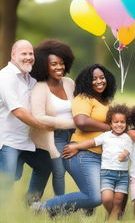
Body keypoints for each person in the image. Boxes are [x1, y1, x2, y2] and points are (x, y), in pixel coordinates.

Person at [31, 64, 117, 216]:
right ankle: (43, 207)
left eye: (102, 78)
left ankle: (59, 212)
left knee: (100, 194)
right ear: (86, 81)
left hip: (102, 155)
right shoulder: (83, 98)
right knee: (95, 197)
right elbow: (81, 122)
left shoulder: (106, 102)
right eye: (94, 79)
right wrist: (109, 128)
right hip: (83, 154)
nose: (99, 81)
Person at [0, 40, 52, 204]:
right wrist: (44, 126)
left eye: (31, 54)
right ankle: (5, 216)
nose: (28, 57)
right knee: (6, 183)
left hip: (27, 141)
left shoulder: (30, 79)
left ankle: (28, 205)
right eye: (24, 53)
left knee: (45, 165)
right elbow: (18, 111)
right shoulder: (6, 77)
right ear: (13, 55)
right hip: (7, 142)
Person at [63, 104, 132, 221]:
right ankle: (116, 216)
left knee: (119, 200)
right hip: (107, 174)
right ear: (110, 123)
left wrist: (124, 154)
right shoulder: (105, 136)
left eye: (122, 122)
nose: (119, 125)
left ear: (126, 124)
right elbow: (91, 142)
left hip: (122, 175)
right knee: (106, 199)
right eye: (116, 122)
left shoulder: (127, 137)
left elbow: (128, 150)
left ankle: (111, 220)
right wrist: (77, 146)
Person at [29, 39, 75, 196]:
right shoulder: (40, 87)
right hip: (53, 137)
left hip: (74, 135)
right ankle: (58, 207)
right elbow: (39, 117)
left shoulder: (69, 83)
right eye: (54, 64)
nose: (59, 67)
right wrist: (69, 123)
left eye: (61, 63)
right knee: (59, 171)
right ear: (44, 66)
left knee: (77, 170)